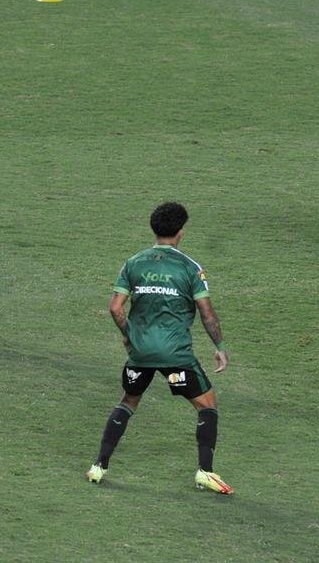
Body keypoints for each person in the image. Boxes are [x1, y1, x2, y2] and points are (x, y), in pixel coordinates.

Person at [86, 202, 234, 494]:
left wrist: (130, 336)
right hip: (175, 355)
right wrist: (220, 346)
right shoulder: (190, 267)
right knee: (207, 406)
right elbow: (206, 313)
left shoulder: (133, 263)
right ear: (180, 233)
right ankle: (206, 471)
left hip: (140, 354)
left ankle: (99, 466)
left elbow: (115, 308)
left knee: (128, 401)